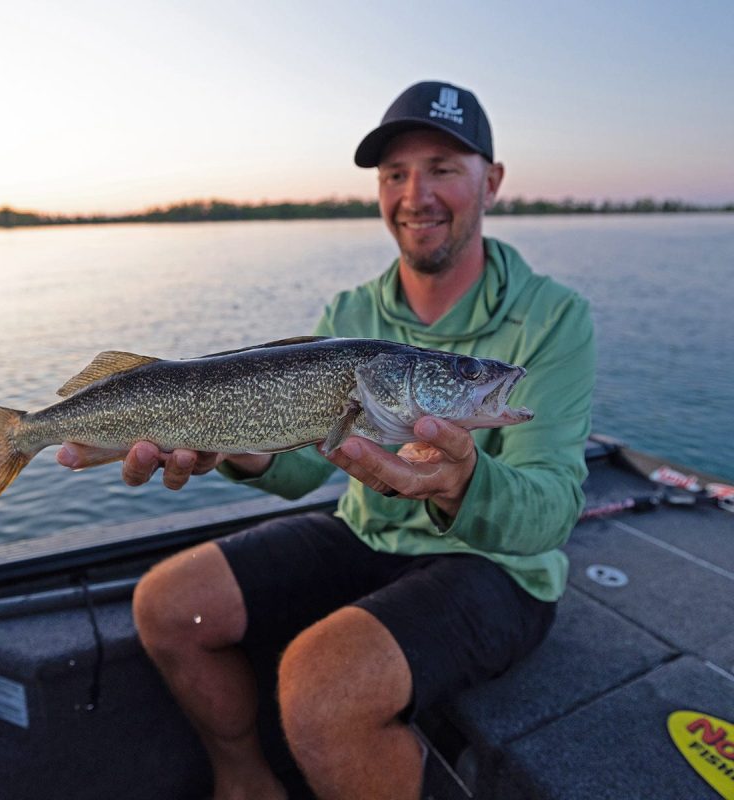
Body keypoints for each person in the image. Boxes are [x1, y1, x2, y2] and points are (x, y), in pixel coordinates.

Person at [58, 80, 595, 800]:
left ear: (491, 182)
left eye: (442, 168)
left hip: (496, 566)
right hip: (368, 533)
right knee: (165, 604)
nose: (416, 194)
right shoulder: (350, 312)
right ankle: (248, 784)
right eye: (395, 174)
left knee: (320, 682)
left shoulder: (553, 318)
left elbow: (554, 509)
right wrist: (241, 445)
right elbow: (301, 472)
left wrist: (461, 482)